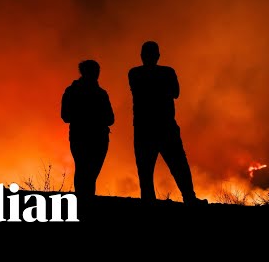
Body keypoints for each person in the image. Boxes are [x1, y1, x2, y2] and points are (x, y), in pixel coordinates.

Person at [128, 41, 207, 206]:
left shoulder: (135, 73)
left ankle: (148, 200)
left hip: (144, 128)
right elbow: (176, 93)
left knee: (145, 168)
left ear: (142, 56)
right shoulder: (167, 72)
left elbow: (140, 92)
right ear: (158, 56)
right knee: (179, 165)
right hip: (165, 126)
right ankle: (189, 198)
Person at [61, 59, 114, 201]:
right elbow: (110, 119)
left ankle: (83, 202)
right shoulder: (101, 94)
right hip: (96, 138)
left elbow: (65, 116)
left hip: (82, 136)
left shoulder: (72, 91)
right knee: (89, 172)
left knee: (84, 170)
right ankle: (86, 202)